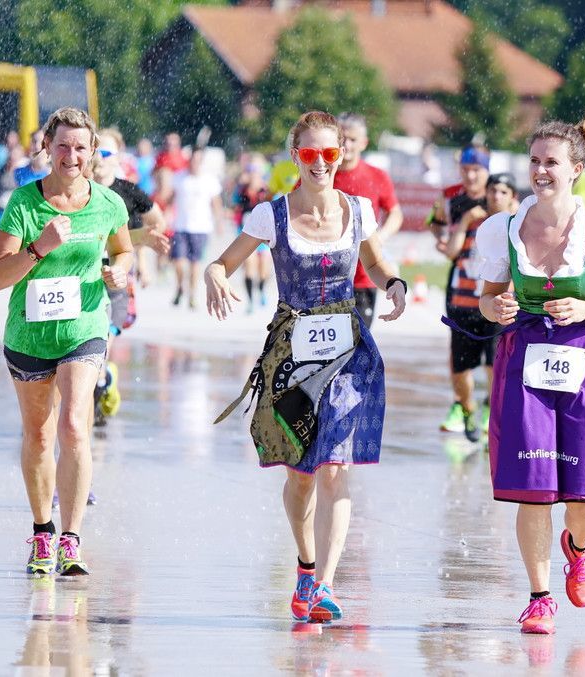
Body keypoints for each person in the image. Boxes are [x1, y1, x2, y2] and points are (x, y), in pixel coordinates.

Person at [205, 111, 406, 623]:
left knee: (335, 466)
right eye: (311, 154)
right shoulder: (270, 215)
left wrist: (394, 284)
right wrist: (214, 276)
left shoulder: (358, 210)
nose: (321, 163)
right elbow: (222, 263)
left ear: (342, 154)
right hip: (291, 362)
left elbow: (375, 263)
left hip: (347, 355)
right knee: (301, 476)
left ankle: (325, 585)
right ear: (295, 156)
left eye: (330, 153)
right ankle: (305, 565)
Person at [474, 87, 585, 634]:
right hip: (523, 360)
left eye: (551, 162)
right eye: (534, 161)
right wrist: (497, 307)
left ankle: (578, 546)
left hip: (582, 361)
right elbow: (486, 298)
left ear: (576, 169)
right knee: (532, 489)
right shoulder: (503, 228)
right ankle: (539, 596)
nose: (540, 171)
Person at [0, 107, 133, 576]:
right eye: (63, 146)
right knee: (39, 434)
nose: (72, 155)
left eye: (81, 147)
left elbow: (124, 249)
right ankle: (43, 532)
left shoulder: (108, 203)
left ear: (93, 152)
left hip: (83, 328)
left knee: (73, 424)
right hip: (29, 333)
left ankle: (71, 538)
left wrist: (121, 271)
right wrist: (39, 247)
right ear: (47, 148)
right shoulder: (24, 204)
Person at [90, 129, 170, 426]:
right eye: (95, 151)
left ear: (119, 158)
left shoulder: (127, 192)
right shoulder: (80, 189)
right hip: (85, 274)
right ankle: (100, 379)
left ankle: (100, 385)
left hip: (118, 272)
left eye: (106, 153)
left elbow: (155, 223)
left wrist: (143, 255)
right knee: (90, 338)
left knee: (105, 335)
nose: (99, 159)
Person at [438, 173, 519, 442]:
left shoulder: (517, 226)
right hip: (463, 303)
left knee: (495, 364)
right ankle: (467, 408)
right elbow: (451, 252)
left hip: (499, 306)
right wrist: (464, 221)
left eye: (504, 192)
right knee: (460, 368)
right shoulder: (473, 220)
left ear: (513, 197)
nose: (496, 196)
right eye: (493, 190)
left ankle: (491, 410)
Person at [428, 146, 490, 434]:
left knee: (494, 356)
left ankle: (491, 407)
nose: (471, 176)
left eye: (476, 170)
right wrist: (442, 238)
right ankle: (462, 405)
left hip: (492, 284)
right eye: (465, 170)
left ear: (487, 170)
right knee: (460, 353)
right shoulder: (451, 195)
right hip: (460, 285)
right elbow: (434, 222)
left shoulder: (497, 193)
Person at [333, 113, 403, 329]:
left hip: (364, 276)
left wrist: (379, 237)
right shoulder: (319, 173)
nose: (346, 145)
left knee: (358, 341)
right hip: (326, 277)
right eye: (342, 138)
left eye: (352, 139)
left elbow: (395, 213)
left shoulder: (377, 176)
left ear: (364, 143)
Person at [170, 149, 224, 308]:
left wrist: (219, 222)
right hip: (180, 226)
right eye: (192, 160)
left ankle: (192, 294)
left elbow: (216, 203)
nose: (195, 163)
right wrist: (166, 215)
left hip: (201, 227)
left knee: (195, 263)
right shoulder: (179, 177)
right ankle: (180, 286)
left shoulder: (210, 180)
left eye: (198, 160)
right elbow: (171, 198)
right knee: (178, 262)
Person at [233, 153, 274, 312]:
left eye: (256, 169)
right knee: (249, 264)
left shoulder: (266, 190)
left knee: (263, 266)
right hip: (245, 231)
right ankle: (250, 301)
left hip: (264, 233)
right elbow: (234, 206)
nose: (253, 172)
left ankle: (261, 288)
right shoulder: (241, 189)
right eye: (250, 169)